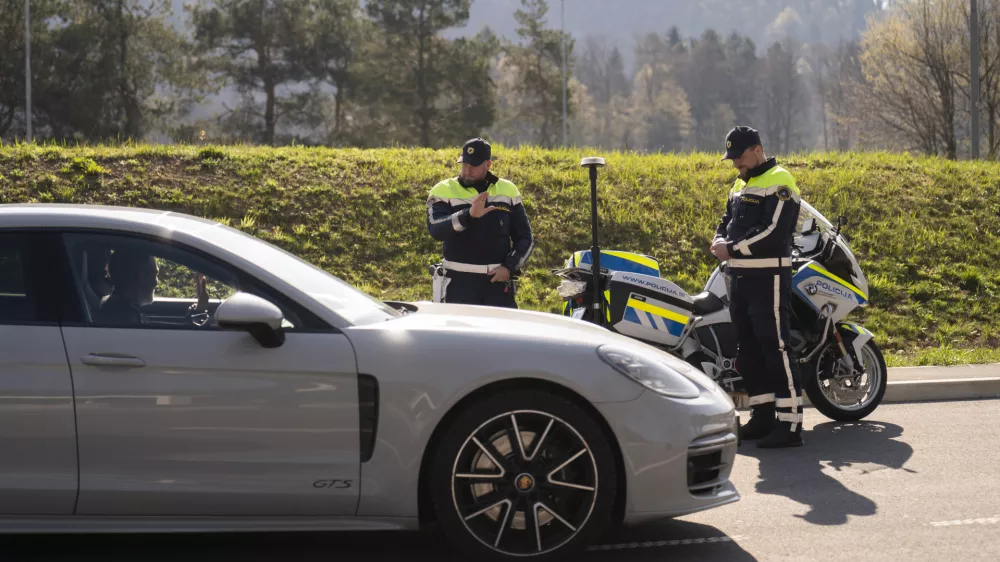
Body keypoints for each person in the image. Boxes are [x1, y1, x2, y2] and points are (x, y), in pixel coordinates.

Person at [710, 126, 804, 448]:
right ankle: (762, 416)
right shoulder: (740, 184)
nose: (736, 163)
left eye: (740, 156)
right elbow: (726, 222)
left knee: (775, 348)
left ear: (757, 150)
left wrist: (732, 249)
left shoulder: (780, 180)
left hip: (769, 278)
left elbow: (774, 232)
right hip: (739, 279)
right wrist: (719, 240)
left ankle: (790, 424)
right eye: (732, 158)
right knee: (748, 351)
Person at [426, 137, 534, 308]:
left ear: (488, 165)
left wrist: (508, 267)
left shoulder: (508, 190)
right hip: (458, 284)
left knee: (502, 327)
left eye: (473, 165)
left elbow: (525, 238)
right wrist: (468, 215)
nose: (467, 170)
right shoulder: (442, 190)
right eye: (464, 164)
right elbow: (436, 229)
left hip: (497, 284)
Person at [95, 248, 209, 326]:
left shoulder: (117, 307)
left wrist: (198, 311)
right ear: (137, 276)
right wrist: (199, 313)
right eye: (153, 275)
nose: (155, 282)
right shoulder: (125, 317)